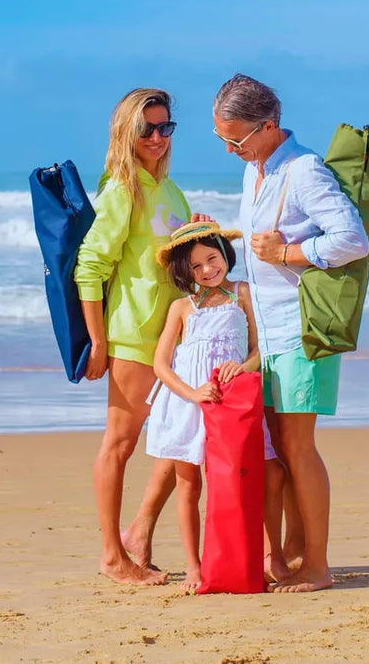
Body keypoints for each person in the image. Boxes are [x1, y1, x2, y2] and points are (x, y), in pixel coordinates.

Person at [211, 74, 369, 593]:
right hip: (269, 331)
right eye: (223, 142)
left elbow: (352, 239)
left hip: (303, 328)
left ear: (268, 126)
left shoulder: (304, 171)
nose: (231, 150)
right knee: (279, 445)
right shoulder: (255, 172)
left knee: (298, 447)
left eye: (236, 140)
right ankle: (296, 554)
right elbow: (257, 247)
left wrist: (286, 254)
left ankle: (318, 566)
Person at [74, 87, 198, 586]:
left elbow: (181, 261)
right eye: (146, 128)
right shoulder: (122, 190)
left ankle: (140, 531)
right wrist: (98, 342)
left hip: (178, 338)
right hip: (132, 337)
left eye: (165, 127)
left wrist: (200, 236)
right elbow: (90, 267)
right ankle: (111, 556)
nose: (156, 137)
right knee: (120, 446)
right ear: (125, 132)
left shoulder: (169, 189)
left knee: (184, 441)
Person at [146, 221, 286, 592]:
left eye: (212, 259)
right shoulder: (182, 307)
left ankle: (273, 556)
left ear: (225, 253)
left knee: (263, 474)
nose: (207, 270)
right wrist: (192, 394)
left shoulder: (243, 293)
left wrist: (241, 368)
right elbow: (161, 364)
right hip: (190, 404)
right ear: (183, 271)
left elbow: (260, 348)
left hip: (234, 402)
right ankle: (195, 566)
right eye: (196, 266)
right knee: (188, 483)